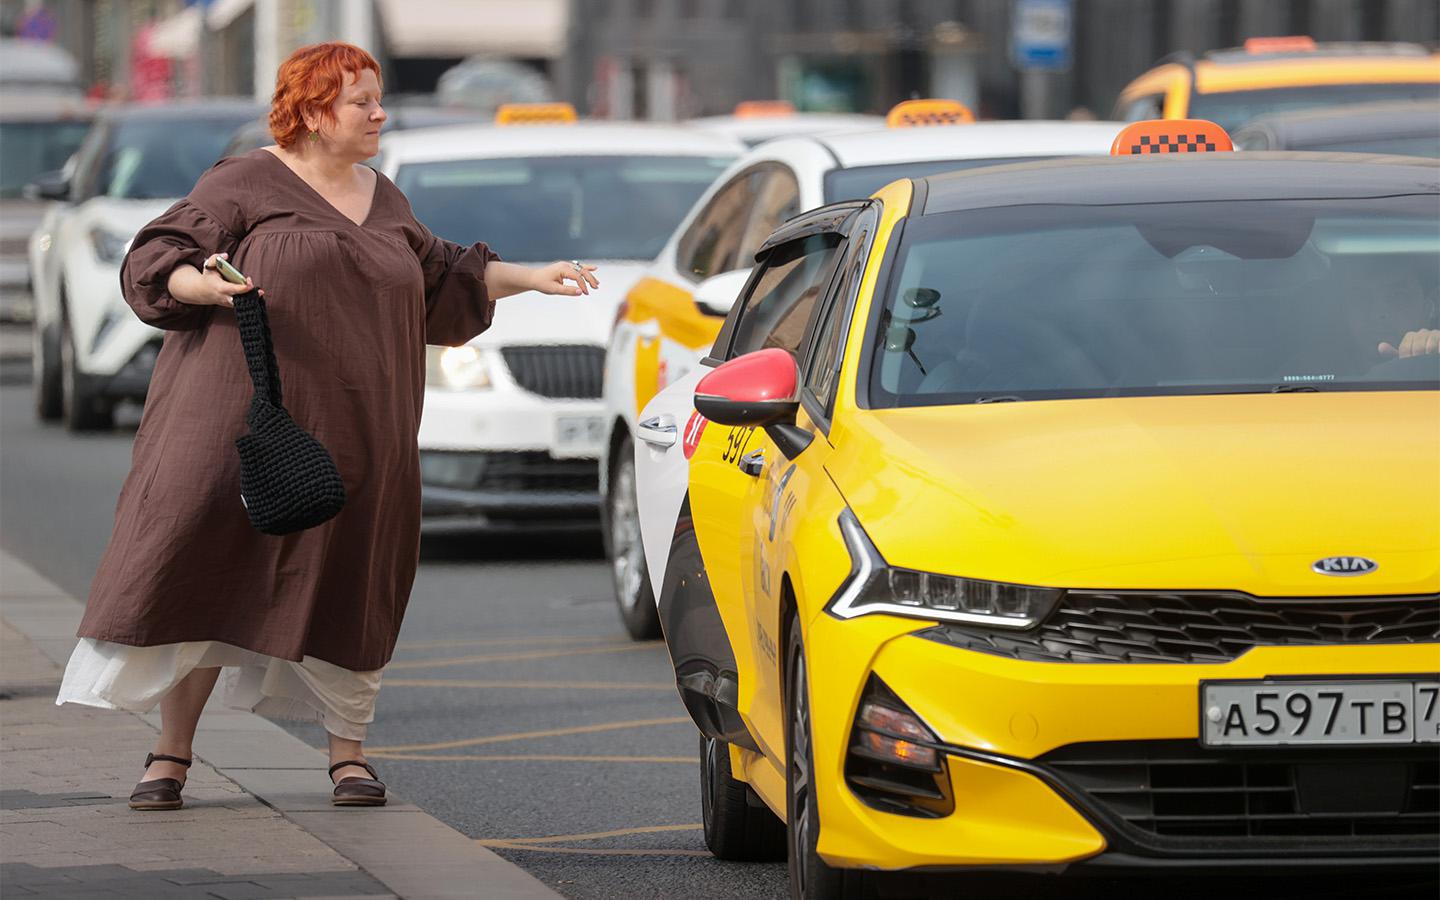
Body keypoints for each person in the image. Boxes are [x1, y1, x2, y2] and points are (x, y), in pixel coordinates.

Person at [55, 42, 598, 810]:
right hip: (237, 422)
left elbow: (444, 275)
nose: (379, 113)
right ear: (312, 111)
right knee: (207, 570)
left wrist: (532, 277)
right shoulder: (245, 180)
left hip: (361, 428)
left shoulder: (382, 194)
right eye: (361, 102)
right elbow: (160, 257)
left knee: (354, 580)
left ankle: (349, 758)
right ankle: (169, 755)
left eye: (378, 100)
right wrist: (202, 284)